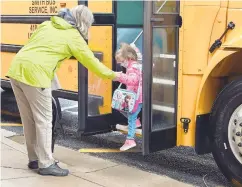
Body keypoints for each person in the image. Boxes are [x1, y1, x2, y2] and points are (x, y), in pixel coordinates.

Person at [6, 5, 119, 176]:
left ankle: (35, 159)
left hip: (16, 70)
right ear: (84, 23)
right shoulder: (73, 37)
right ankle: (45, 164)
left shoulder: (48, 24)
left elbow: (36, 49)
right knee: (44, 121)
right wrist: (115, 75)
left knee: (28, 120)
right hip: (35, 76)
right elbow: (92, 63)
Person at [114, 43, 143, 151]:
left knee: (129, 115)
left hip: (135, 97)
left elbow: (133, 80)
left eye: (121, 62)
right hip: (137, 96)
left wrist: (119, 76)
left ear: (127, 58)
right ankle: (136, 122)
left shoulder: (132, 68)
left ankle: (130, 140)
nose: (121, 64)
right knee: (122, 109)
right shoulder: (135, 64)